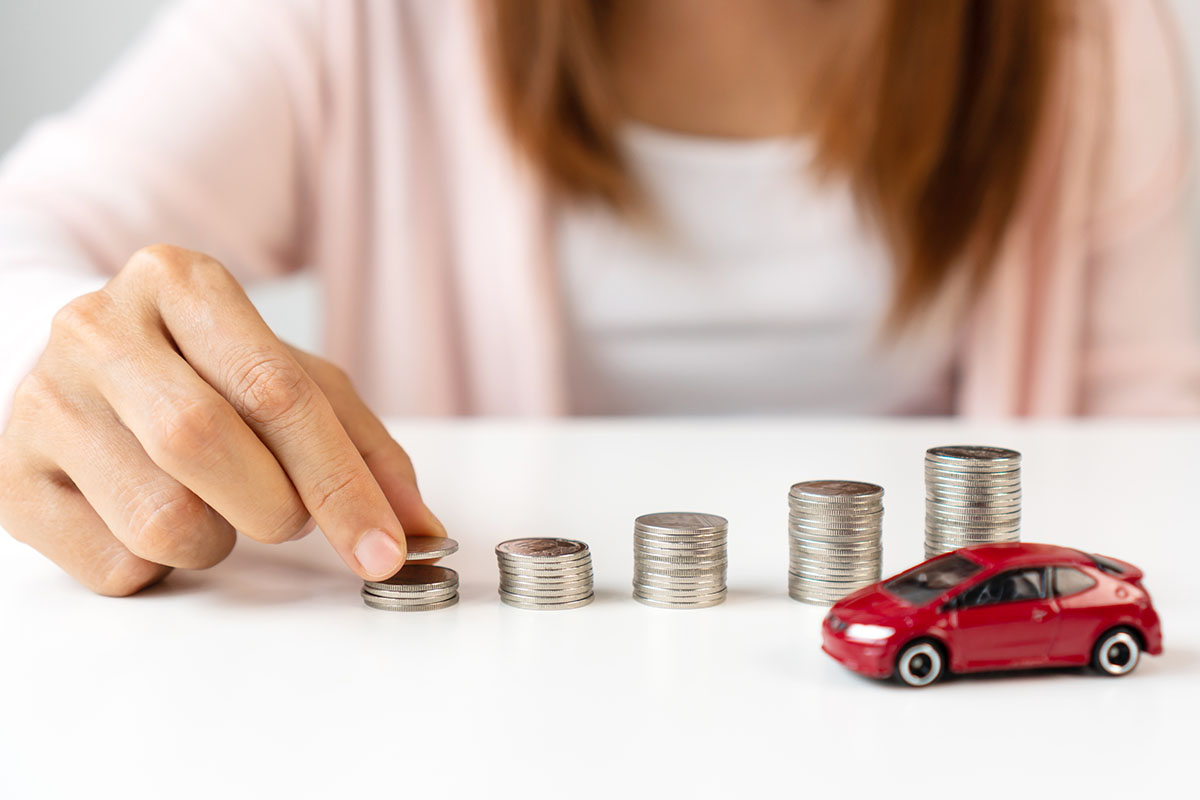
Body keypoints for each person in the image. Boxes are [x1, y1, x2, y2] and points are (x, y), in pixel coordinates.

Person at [0, 0, 1196, 596]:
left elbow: (1147, 471)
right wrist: (62, 362)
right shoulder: (357, 21)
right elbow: (28, 235)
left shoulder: (1094, 37)